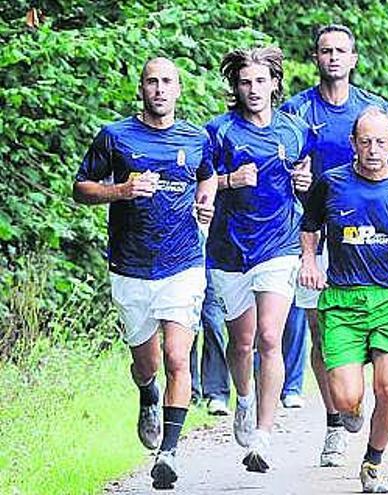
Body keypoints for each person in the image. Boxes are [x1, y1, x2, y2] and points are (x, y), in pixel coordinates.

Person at [73, 57, 217, 489]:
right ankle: (147, 393)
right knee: (147, 362)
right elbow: (81, 189)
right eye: (152, 82)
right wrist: (121, 190)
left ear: (178, 89)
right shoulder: (115, 136)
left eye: (167, 82)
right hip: (131, 266)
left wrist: (205, 204)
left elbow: (207, 176)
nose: (159, 89)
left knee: (177, 355)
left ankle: (168, 453)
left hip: (183, 264)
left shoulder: (196, 137)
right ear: (141, 89)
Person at [299, 106, 388, 493]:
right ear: (353, 145)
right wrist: (309, 259)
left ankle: (373, 462)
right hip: (342, 301)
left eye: (381, 141)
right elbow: (309, 226)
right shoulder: (330, 183)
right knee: (346, 398)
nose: (373, 149)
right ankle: (352, 410)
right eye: (366, 142)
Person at [280, 24, 388, 466]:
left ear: (353, 59)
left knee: (370, 322)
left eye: (340, 51)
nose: (333, 57)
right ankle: (334, 422)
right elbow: (282, 168)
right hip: (315, 228)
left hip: (367, 233)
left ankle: (354, 394)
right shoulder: (296, 109)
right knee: (319, 330)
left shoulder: (373, 108)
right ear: (316, 58)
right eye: (325, 50)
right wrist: (296, 179)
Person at [205, 46, 312, 473]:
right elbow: (203, 183)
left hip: (278, 245)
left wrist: (304, 180)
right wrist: (230, 180)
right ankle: (244, 399)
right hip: (230, 248)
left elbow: (307, 179)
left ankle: (263, 437)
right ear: (236, 87)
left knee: (270, 336)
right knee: (242, 341)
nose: (253, 89)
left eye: (261, 81)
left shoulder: (296, 129)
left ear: (274, 84)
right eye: (245, 82)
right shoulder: (218, 132)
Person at [189, 268, 232, 416]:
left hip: (211, 265)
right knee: (187, 330)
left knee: (214, 325)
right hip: (185, 267)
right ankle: (190, 394)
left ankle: (217, 394)